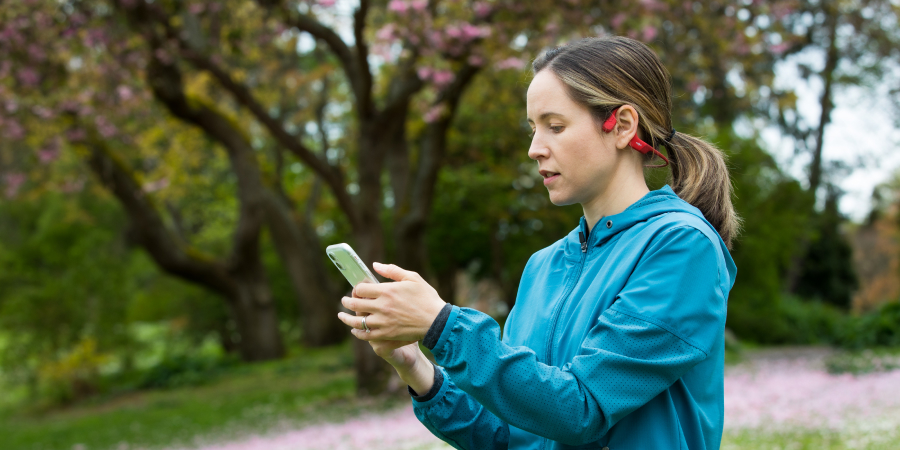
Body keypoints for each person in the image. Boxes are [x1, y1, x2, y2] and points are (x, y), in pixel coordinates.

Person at [337, 36, 739, 450]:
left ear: (621, 125)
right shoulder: (543, 266)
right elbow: (508, 435)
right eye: (533, 129)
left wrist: (442, 324)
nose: (534, 149)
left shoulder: (681, 247)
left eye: (555, 126)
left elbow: (582, 408)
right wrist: (415, 366)